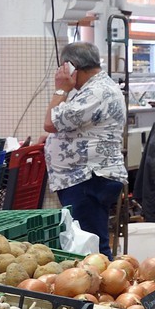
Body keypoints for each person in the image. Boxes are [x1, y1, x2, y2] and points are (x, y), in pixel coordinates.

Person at [43, 42, 128, 256]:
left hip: (87, 178)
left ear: (72, 66)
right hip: (86, 177)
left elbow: (50, 122)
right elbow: (72, 126)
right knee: (89, 243)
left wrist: (61, 88)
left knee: (89, 247)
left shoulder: (96, 92)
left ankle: (101, 287)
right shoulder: (96, 89)